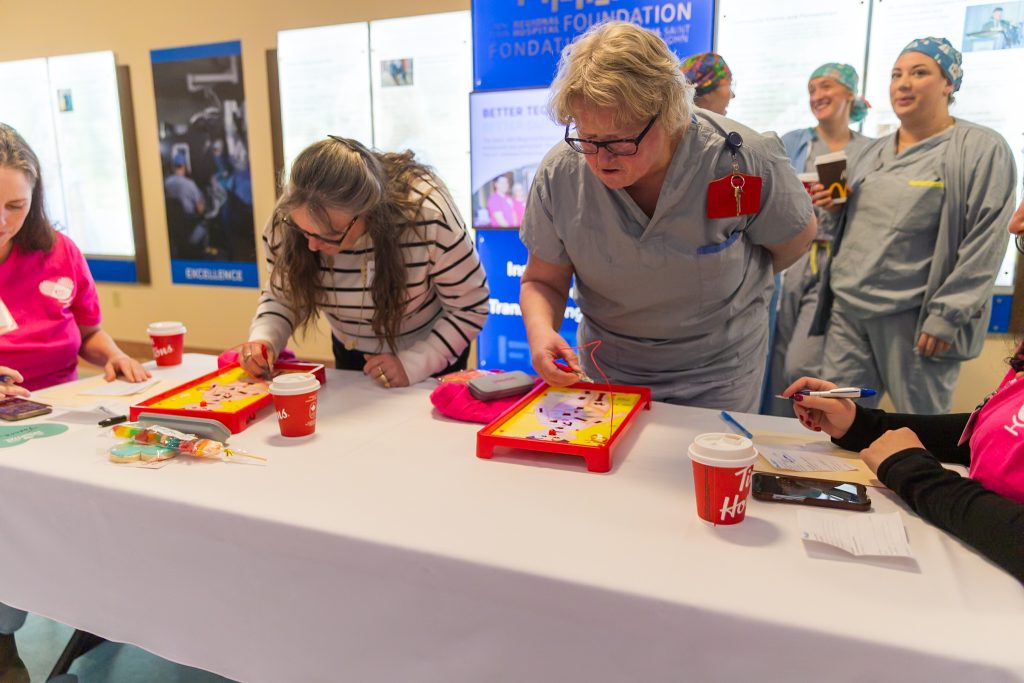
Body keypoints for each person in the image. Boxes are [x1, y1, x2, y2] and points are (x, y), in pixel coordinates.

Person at [519, 22, 815, 410]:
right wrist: (541, 333)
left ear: (669, 115)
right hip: (610, 367)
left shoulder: (740, 159)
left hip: (719, 371)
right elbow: (543, 280)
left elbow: (794, 240)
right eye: (587, 139)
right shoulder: (561, 173)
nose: (601, 159)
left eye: (620, 142)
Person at [0, 123, 149, 681]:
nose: (2, 221)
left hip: (63, 414)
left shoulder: (59, 252)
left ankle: (107, 612)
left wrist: (113, 355)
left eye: (15, 206)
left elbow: (87, 332)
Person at [812, 37, 1017, 415]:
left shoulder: (980, 148)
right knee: (840, 423)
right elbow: (852, 227)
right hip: (849, 313)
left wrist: (947, 314)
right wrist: (835, 208)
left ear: (948, 83)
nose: (903, 84)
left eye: (919, 73)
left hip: (916, 322)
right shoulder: (872, 152)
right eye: (896, 75)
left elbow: (987, 240)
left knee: (919, 430)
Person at [238, 136, 488, 388]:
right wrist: (264, 338)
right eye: (304, 232)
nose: (312, 245)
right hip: (351, 349)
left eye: (330, 235)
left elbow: (470, 307)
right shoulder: (289, 217)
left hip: (430, 354)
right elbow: (284, 296)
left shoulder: (428, 217)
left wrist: (413, 364)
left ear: (367, 211)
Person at [766, 64, 874, 416]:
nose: (817, 95)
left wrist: (846, 203)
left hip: (840, 262)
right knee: (778, 356)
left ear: (849, 93)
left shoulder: (870, 151)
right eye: (811, 89)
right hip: (792, 257)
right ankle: (776, 430)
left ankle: (822, 425)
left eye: (826, 86)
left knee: (804, 363)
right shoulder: (793, 142)